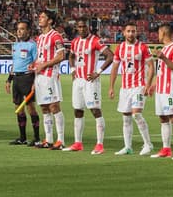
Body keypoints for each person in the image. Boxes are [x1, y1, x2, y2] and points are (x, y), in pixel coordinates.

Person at [108, 22, 154, 156]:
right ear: (123, 33)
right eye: (128, 31)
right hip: (125, 88)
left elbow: (151, 66)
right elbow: (115, 68)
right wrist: (111, 87)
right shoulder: (120, 48)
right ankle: (128, 147)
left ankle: (148, 144)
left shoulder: (143, 47)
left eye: (133, 31)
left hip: (139, 86)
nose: (131, 34)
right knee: (126, 118)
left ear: (136, 32)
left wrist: (148, 84)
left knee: (136, 114)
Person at [68, 20, 112, 154]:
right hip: (78, 81)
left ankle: (100, 144)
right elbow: (71, 56)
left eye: (84, 27)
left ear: (88, 27)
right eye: (79, 27)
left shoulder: (95, 40)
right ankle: (78, 143)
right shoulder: (75, 42)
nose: (81, 29)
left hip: (90, 81)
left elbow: (110, 56)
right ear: (76, 28)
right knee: (78, 110)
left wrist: (98, 72)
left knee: (95, 110)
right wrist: (72, 69)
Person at [31, 10, 68, 149]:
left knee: (54, 106)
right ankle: (48, 140)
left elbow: (61, 56)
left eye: (42, 17)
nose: (39, 19)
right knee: (44, 108)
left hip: (50, 75)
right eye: (39, 17)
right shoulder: (40, 37)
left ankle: (61, 140)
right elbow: (40, 58)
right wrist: (34, 65)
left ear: (50, 20)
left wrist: (44, 65)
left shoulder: (56, 36)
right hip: (39, 76)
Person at [147, 24, 173, 159]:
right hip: (161, 90)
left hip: (170, 89)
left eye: (158, 32)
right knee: (163, 119)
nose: (157, 35)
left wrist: (163, 57)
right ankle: (166, 149)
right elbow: (162, 71)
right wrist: (154, 85)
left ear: (163, 32)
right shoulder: (164, 49)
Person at [6, 21, 41, 145]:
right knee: (18, 109)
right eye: (18, 29)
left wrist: (35, 82)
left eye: (22, 29)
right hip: (17, 78)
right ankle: (22, 137)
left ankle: (37, 138)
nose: (19, 31)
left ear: (28, 31)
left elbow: (37, 63)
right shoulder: (15, 45)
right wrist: (9, 80)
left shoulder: (33, 45)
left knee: (31, 109)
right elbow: (14, 64)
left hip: (28, 78)